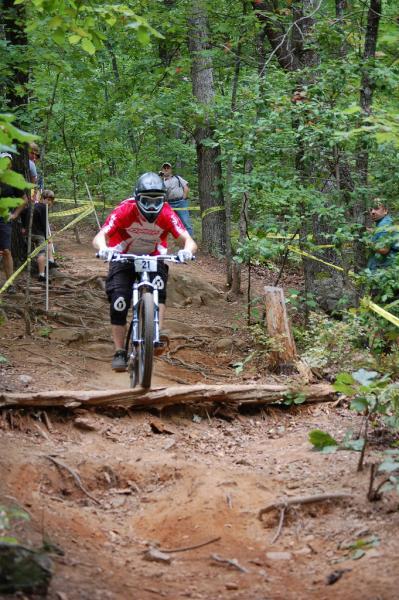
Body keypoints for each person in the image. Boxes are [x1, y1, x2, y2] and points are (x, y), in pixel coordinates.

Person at [92, 172, 197, 371]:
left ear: (163, 199)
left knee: (160, 289)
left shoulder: (167, 212)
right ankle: (119, 351)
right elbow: (100, 236)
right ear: (137, 197)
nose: (151, 206)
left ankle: (155, 334)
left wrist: (186, 252)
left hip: (153, 256)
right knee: (119, 302)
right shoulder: (125, 210)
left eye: (156, 200)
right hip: (123, 256)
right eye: (146, 201)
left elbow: (188, 240)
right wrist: (103, 248)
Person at [0, 152, 28, 293]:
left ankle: (9, 283)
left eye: (7, 161)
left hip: (4, 218)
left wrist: (15, 214)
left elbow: (24, 200)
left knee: (6, 250)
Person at [20, 189, 57, 282]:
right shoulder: (44, 208)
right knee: (42, 253)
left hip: (29, 234)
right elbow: (45, 224)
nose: (49, 202)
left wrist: (24, 226)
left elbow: (23, 212)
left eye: (51, 200)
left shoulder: (32, 206)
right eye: (48, 200)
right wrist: (47, 237)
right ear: (44, 199)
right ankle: (42, 275)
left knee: (45, 245)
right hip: (38, 234)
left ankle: (51, 261)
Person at [160, 162, 193, 236]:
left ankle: (190, 241)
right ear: (162, 170)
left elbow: (186, 188)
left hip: (181, 202)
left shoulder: (177, 178)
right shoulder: (161, 182)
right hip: (169, 204)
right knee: (168, 223)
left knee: (186, 222)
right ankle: (175, 240)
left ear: (170, 169)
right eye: (164, 168)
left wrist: (183, 198)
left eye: (168, 168)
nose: (166, 169)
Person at [367, 200, 399, 271]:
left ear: (385, 211)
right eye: (371, 209)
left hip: (383, 271)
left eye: (376, 208)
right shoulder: (386, 222)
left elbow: (384, 249)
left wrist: (368, 243)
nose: (372, 212)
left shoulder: (384, 224)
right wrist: (373, 232)